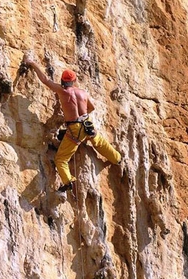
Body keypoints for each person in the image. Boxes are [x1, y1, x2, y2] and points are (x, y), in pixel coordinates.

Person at [24, 56, 121, 193]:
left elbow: (45, 80)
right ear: (74, 81)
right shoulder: (82, 92)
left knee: (61, 159)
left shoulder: (62, 91)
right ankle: (117, 158)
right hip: (87, 123)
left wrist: (32, 63)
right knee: (99, 142)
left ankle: (68, 181)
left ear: (63, 80)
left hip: (75, 128)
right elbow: (92, 108)